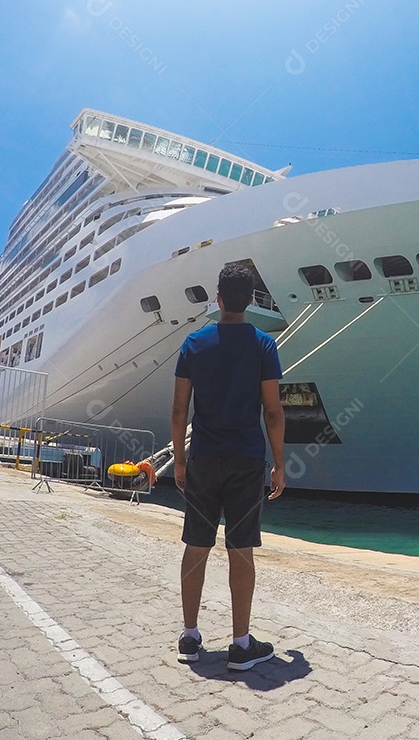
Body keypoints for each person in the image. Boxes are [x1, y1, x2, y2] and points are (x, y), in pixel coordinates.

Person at [171, 263, 286, 671]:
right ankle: (240, 644)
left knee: (196, 546)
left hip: (202, 458)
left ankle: (189, 635)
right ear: (252, 300)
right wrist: (280, 465)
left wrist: (179, 462)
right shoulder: (263, 345)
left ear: (217, 298)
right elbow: (273, 412)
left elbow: (180, 408)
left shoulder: (194, 343)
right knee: (241, 550)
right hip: (247, 460)